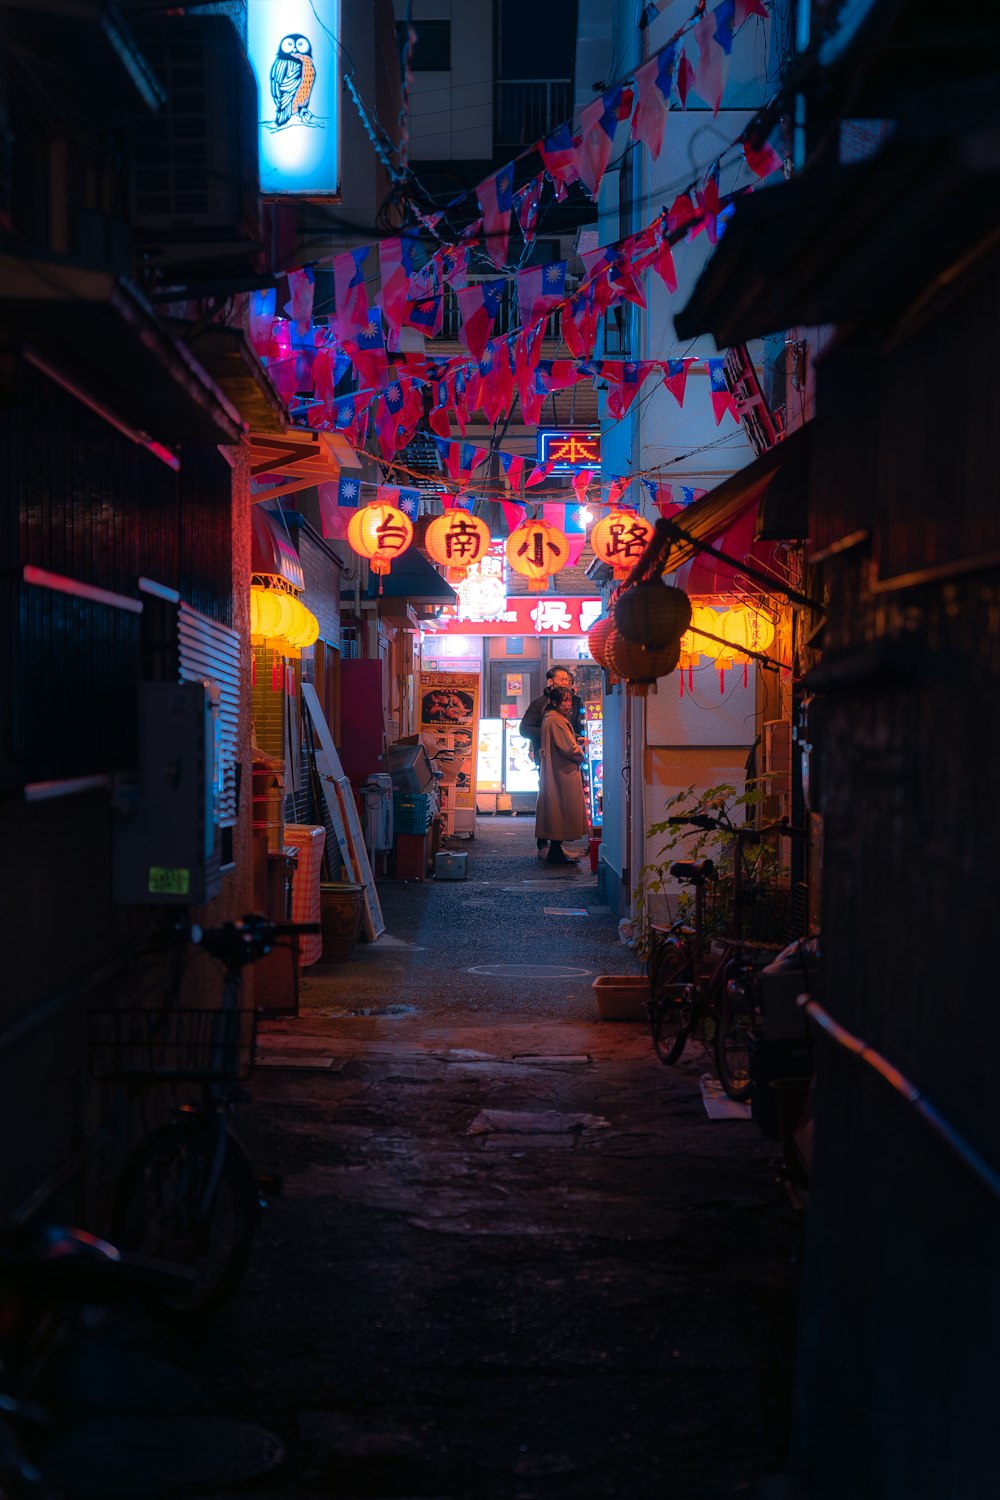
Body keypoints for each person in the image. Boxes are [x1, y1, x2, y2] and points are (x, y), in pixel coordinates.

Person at [520, 668, 586, 856]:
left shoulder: (573, 703)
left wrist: (575, 737)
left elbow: (573, 730)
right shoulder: (543, 707)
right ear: (550, 681)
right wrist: (548, 738)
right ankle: (546, 844)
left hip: (564, 758)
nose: (566, 682)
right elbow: (525, 729)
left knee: (561, 802)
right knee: (552, 800)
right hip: (550, 759)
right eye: (562, 679)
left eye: (568, 679)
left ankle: (556, 844)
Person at [535, 687, 588, 866]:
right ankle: (556, 852)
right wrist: (581, 750)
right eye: (564, 700)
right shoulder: (556, 720)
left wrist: (575, 741)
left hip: (556, 770)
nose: (568, 704)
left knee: (557, 810)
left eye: (569, 700)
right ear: (555, 702)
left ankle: (556, 850)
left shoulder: (551, 718)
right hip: (563, 772)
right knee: (562, 810)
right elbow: (568, 748)